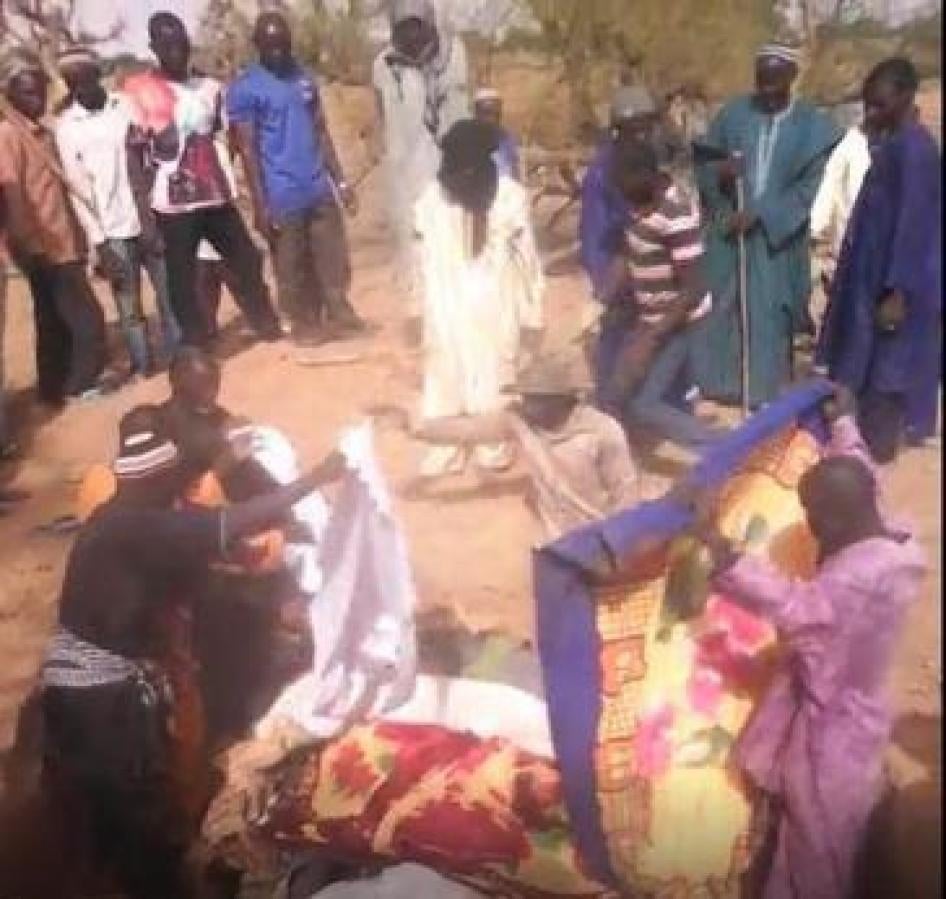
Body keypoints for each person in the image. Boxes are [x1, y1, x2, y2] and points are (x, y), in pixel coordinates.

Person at [42, 404, 345, 899]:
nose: (180, 494)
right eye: (173, 484)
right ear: (158, 481)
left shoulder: (116, 522)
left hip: (86, 693)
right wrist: (318, 477)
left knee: (111, 822)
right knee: (141, 827)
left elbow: (200, 558)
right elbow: (231, 522)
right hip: (102, 705)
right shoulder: (137, 526)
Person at [682, 384, 926, 899]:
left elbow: (792, 606)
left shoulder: (848, 585)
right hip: (866, 717)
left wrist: (718, 548)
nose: (809, 527)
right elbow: (865, 483)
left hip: (828, 738)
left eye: (813, 516)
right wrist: (845, 427)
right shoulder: (898, 546)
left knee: (815, 856)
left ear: (831, 520)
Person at [122, 12, 281, 349]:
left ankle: (267, 326)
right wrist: (146, 221)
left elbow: (228, 138)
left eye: (181, 43)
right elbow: (134, 161)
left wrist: (234, 180)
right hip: (172, 204)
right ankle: (194, 346)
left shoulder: (210, 88)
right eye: (167, 45)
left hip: (216, 195)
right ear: (154, 48)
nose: (176, 51)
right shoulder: (140, 92)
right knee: (182, 279)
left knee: (247, 261)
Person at [695, 43, 841, 409]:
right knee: (723, 305)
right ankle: (722, 385)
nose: (767, 92)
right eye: (761, 84)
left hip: (778, 239)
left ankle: (762, 390)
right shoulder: (732, 115)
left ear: (792, 79)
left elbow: (811, 188)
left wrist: (762, 213)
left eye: (776, 85)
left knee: (770, 312)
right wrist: (720, 176)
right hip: (731, 229)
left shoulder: (814, 127)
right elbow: (705, 164)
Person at [817, 58, 942, 463]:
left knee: (889, 374)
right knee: (862, 365)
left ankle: (879, 457)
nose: (871, 113)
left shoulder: (916, 152)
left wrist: (898, 292)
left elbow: (915, 228)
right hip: (872, 276)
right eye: (867, 105)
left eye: (880, 104)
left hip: (895, 286)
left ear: (906, 98)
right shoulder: (891, 145)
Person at [414, 118, 544, 478]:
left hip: (496, 303)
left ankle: (492, 443)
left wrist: (533, 312)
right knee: (444, 372)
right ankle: (446, 447)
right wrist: (419, 305)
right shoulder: (432, 198)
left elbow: (528, 261)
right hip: (447, 301)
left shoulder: (509, 197)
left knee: (494, 374)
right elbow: (421, 258)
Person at [228, 11, 364, 348]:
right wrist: (261, 206)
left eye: (283, 45)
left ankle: (337, 311)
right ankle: (303, 323)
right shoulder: (245, 89)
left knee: (331, 257)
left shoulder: (303, 79)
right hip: (281, 192)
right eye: (271, 46)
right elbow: (247, 151)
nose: (278, 53)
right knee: (292, 266)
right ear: (258, 45)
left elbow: (320, 131)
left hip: (317, 185)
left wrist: (341, 182)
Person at [413, 353, 639, 542]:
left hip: (595, 535)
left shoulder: (602, 431)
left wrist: (613, 539)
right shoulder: (519, 420)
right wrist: (417, 429)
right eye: (527, 398)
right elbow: (469, 430)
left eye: (540, 399)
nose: (530, 405)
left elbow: (625, 490)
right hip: (551, 538)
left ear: (564, 399)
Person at [55, 46, 181, 378]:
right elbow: (78, 190)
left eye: (85, 77)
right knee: (129, 307)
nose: (80, 85)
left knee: (168, 294)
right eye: (72, 81)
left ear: (97, 75)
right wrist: (99, 242)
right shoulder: (67, 128)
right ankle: (143, 367)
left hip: (147, 216)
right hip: (112, 229)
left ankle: (180, 357)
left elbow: (149, 154)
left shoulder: (124, 106)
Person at [0, 49, 108, 406]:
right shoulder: (9, 136)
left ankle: (52, 387)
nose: (37, 98)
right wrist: (28, 244)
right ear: (10, 93)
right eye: (28, 92)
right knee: (86, 317)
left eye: (40, 90)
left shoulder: (41, 131)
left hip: (60, 238)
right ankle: (81, 383)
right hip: (44, 243)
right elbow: (12, 192)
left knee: (51, 320)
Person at [602, 140, 725, 452]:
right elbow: (627, 252)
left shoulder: (676, 216)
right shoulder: (636, 207)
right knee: (615, 391)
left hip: (679, 323)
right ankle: (616, 455)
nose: (621, 191)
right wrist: (602, 299)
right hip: (652, 318)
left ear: (649, 174)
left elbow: (693, 288)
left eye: (624, 183)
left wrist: (652, 338)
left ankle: (721, 448)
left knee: (644, 404)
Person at [372, 0, 470, 318]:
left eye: (418, 28)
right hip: (404, 168)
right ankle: (420, 314)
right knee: (412, 238)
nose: (412, 37)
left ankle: (456, 308)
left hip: (448, 163)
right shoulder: (383, 66)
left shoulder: (453, 55)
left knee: (453, 235)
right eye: (404, 30)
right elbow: (380, 115)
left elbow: (459, 112)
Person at [474, 87, 521, 181]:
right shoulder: (468, 138)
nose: (492, 118)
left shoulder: (507, 137)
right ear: (478, 112)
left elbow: (514, 168)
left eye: (496, 113)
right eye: (487, 112)